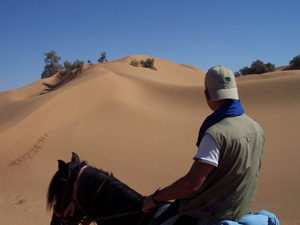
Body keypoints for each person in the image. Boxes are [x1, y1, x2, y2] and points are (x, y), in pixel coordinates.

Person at [142, 65, 265, 225]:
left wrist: (155, 198)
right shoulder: (256, 128)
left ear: (207, 94)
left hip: (211, 218)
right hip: (241, 213)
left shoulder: (215, 134)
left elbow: (191, 185)